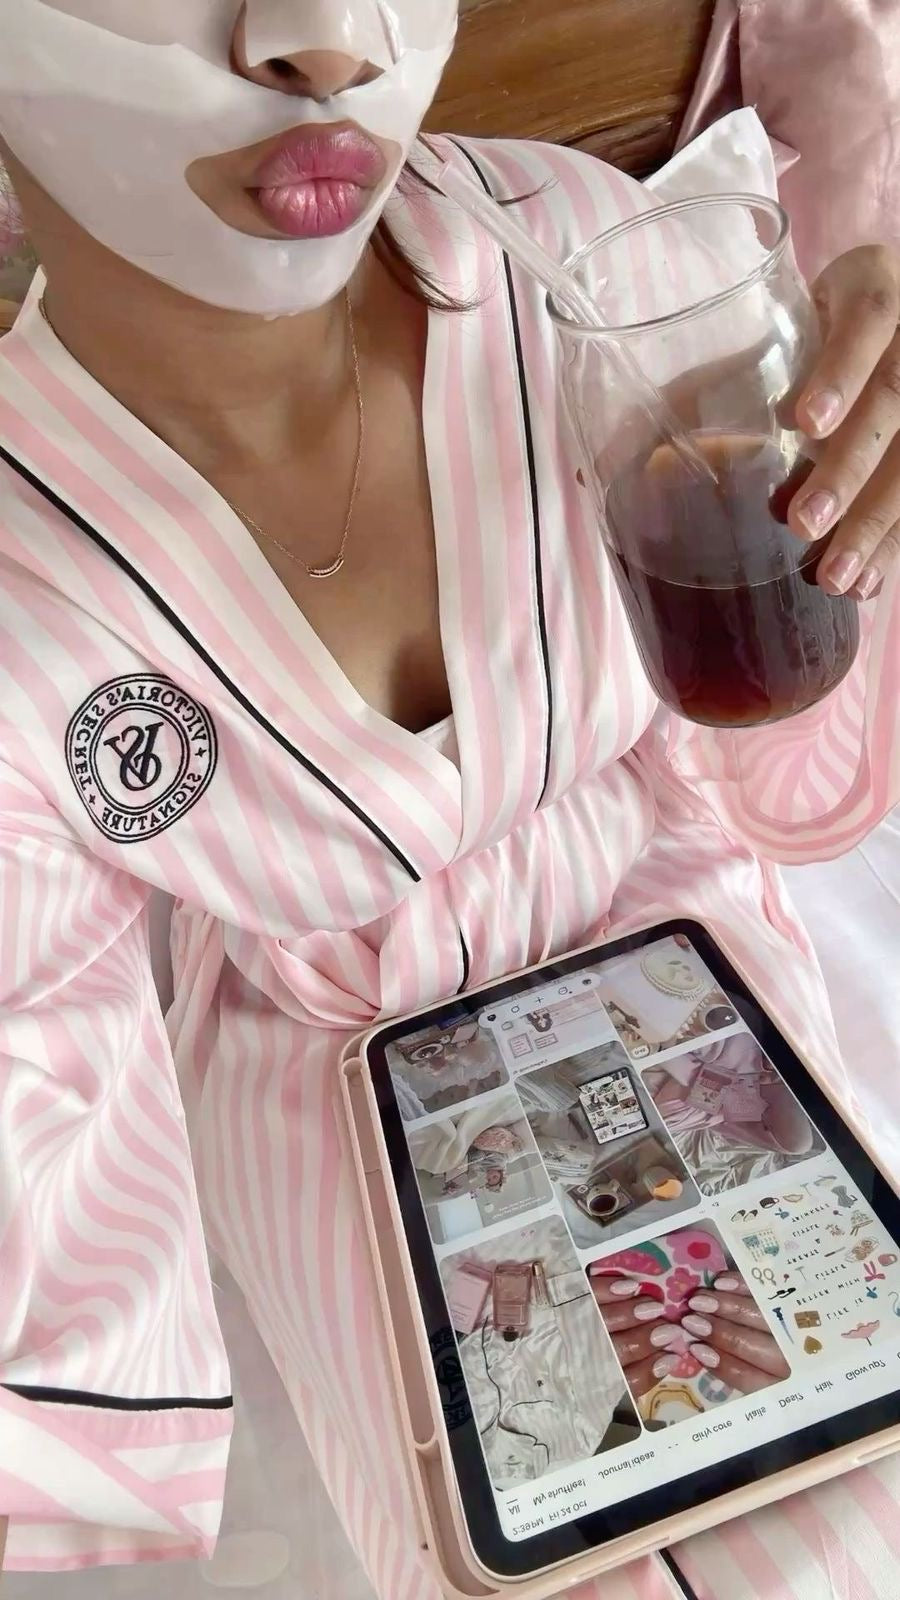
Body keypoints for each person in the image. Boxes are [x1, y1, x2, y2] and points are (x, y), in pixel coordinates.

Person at [1, 2, 900, 1595]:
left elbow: (784, 747)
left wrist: (858, 491)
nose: (330, 42)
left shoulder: (601, 258)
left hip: (683, 945)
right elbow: (42, 1148)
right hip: (323, 1077)